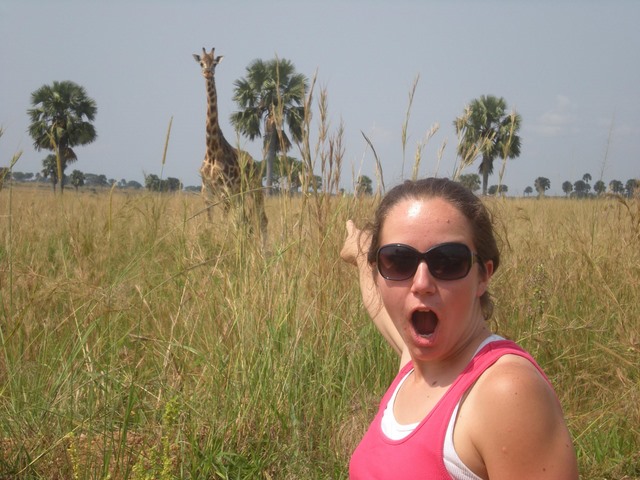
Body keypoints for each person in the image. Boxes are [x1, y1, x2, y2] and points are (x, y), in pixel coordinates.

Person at [340, 177, 578, 479]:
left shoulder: (503, 391)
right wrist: (361, 255)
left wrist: (372, 257)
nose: (421, 283)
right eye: (398, 261)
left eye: (448, 262)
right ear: (379, 272)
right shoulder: (416, 368)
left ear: (483, 276)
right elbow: (379, 306)